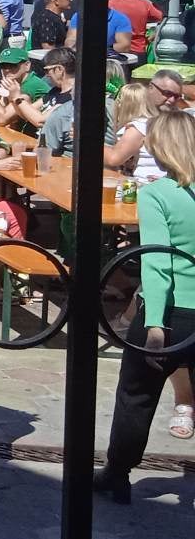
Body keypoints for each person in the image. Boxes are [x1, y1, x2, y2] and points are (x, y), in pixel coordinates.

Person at [96, 109, 195, 502]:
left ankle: (117, 474)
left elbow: (157, 262)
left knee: (137, 393)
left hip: (173, 312)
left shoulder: (156, 193)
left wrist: (154, 321)